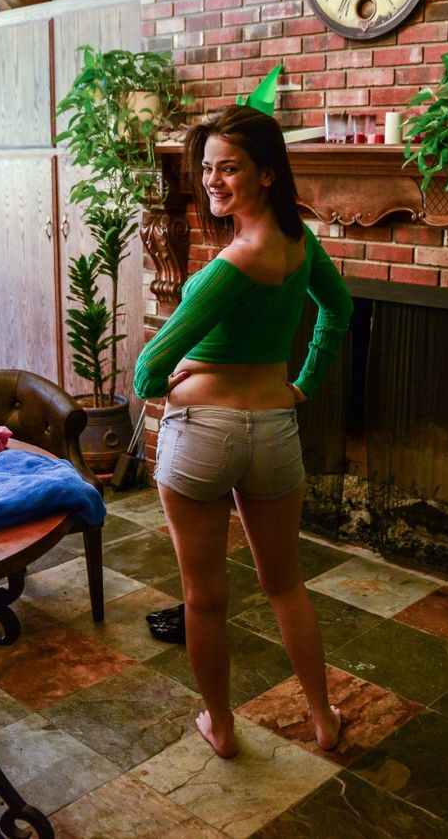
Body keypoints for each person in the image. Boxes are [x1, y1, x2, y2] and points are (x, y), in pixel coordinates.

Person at [133, 104, 353, 759]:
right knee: (285, 584)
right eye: (206, 169)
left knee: (203, 599)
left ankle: (222, 728)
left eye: (228, 168)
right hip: (274, 431)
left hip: (203, 434)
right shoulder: (297, 243)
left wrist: (184, 376)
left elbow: (147, 370)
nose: (213, 181)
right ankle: (322, 718)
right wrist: (304, 382)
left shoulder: (231, 265)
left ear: (266, 173)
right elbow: (338, 310)